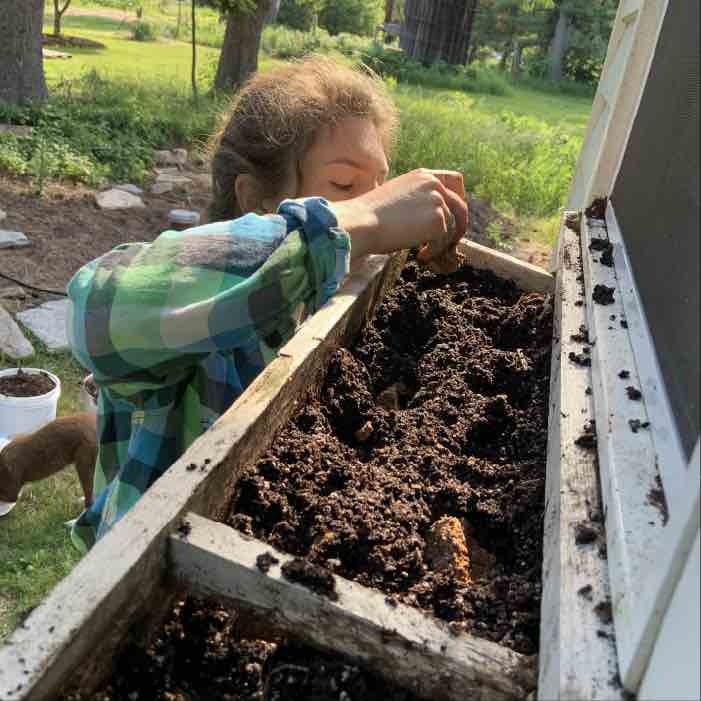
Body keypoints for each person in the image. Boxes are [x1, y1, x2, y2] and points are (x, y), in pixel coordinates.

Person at [66, 56, 468, 552]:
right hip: (141, 570)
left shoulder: (331, 298)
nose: (374, 206)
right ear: (256, 199)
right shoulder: (194, 317)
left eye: (380, 187)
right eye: (342, 185)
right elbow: (95, 311)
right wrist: (364, 217)